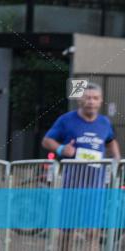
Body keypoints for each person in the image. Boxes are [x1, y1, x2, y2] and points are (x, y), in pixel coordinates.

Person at [43, 82, 120, 249]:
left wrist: (117, 159)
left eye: (95, 98)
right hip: (72, 185)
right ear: (80, 100)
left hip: (96, 186)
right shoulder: (66, 120)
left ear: (101, 101)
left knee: (92, 231)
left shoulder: (104, 123)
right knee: (66, 231)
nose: (91, 101)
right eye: (87, 98)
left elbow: (111, 141)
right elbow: (47, 141)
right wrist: (62, 149)